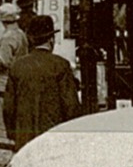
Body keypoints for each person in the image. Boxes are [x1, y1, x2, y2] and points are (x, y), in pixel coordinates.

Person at [4, 14, 78, 152]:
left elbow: (8, 106)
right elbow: (70, 105)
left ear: (31, 39)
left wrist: (13, 132)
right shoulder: (61, 65)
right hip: (53, 136)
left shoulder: (18, 66)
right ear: (51, 39)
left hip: (24, 136)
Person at [0, 2, 27, 144]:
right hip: (17, 76)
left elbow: (3, 61)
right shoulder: (20, 34)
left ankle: (2, 137)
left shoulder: (7, 37)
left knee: (1, 108)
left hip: (4, 79)